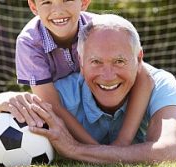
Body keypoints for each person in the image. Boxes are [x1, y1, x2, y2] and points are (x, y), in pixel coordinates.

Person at [0, 14, 176, 164]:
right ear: (80, 62)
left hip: (159, 91)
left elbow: (169, 151)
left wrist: (75, 149)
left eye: (119, 61)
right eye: (96, 62)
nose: (108, 75)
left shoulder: (158, 82)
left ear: (138, 59)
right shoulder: (59, 97)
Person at [15, 0, 154, 146]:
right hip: (73, 105)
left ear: (84, 2)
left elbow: (144, 76)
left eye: (67, 0)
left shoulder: (98, 29)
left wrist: (122, 141)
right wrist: (95, 149)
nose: (58, 10)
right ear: (33, 6)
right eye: (47, 2)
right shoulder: (29, 42)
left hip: (109, 92)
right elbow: (52, 105)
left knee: (165, 97)